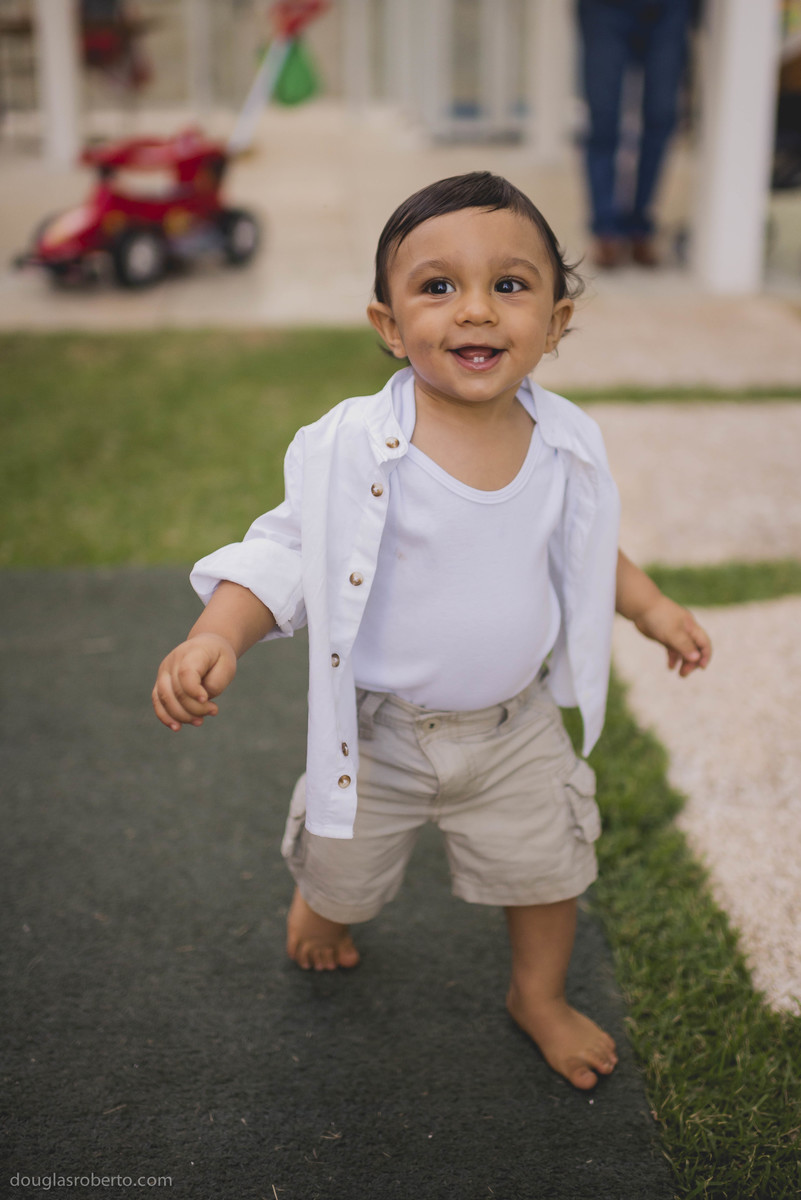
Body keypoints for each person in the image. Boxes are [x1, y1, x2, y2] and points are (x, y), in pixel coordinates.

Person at [152, 172, 711, 1091]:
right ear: (388, 324)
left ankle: (536, 994)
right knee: (344, 873)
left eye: (511, 285)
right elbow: (286, 552)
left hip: (514, 726)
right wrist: (218, 634)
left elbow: (588, 546)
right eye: (438, 287)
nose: (476, 312)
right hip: (380, 732)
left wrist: (649, 609)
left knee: (547, 870)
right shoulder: (356, 449)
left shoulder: (563, 445)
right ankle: (324, 913)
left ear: (557, 322)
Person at [577, 0, 695, 268]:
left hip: (671, 9)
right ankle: (605, 228)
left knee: (661, 116)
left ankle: (640, 224)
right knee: (603, 118)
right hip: (604, 9)